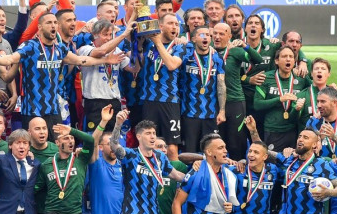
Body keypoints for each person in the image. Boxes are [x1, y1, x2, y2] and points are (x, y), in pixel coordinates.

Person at [0, 12, 125, 133]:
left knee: (57, 147)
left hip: (53, 109)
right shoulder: (30, 46)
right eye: (49, 23)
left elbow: (80, 60)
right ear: (39, 27)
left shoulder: (60, 48)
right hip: (33, 110)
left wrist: (106, 59)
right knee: (34, 147)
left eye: (55, 23)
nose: (53, 26)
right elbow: (10, 59)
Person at [138, 13, 187, 161]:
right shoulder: (147, 44)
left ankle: (173, 183)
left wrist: (158, 43)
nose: (175, 27)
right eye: (171, 23)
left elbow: (172, 65)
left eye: (177, 24)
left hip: (170, 101)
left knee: (171, 147)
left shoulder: (181, 47)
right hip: (148, 100)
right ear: (160, 26)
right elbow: (134, 32)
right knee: (147, 144)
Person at [212, 23, 263, 161]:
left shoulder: (235, 51)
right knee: (216, 141)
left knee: (236, 143)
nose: (217, 37)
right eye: (215, 33)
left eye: (222, 34)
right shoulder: (208, 51)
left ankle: (239, 169)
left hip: (235, 102)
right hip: (213, 102)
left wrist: (245, 45)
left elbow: (258, 60)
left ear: (229, 36)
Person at [77, 18, 135, 132]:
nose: (108, 38)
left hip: (114, 101)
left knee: (113, 138)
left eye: (110, 34)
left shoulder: (116, 50)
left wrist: (138, 48)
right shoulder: (86, 49)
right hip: (95, 102)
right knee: (95, 139)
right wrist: (123, 35)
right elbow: (101, 52)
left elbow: (133, 68)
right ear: (94, 35)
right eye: (105, 34)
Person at [179, 25, 226, 153]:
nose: (205, 37)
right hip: (189, 114)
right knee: (189, 151)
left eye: (208, 35)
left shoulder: (217, 58)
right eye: (201, 35)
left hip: (210, 115)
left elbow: (221, 84)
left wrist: (222, 111)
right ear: (193, 39)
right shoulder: (186, 56)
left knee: (211, 151)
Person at [304, 87, 337, 159]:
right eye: (318, 101)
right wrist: (319, 139)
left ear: (334, 102)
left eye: (323, 101)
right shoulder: (312, 122)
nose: (319, 105)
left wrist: (334, 137)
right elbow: (306, 149)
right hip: (320, 167)